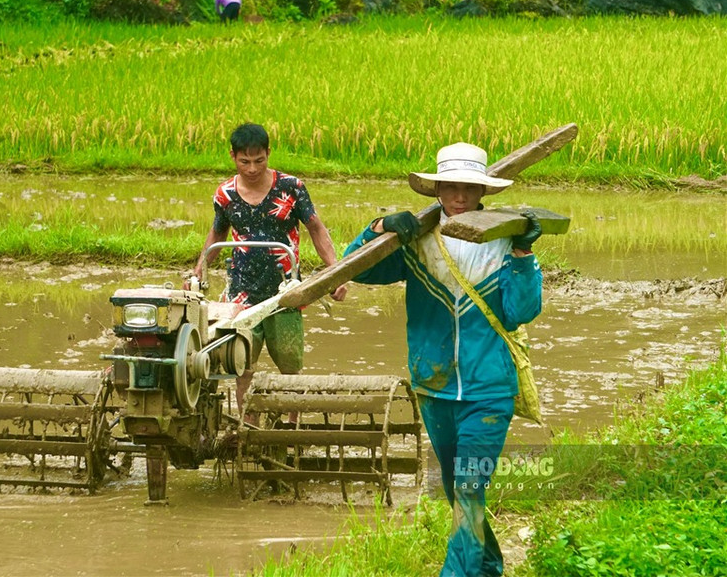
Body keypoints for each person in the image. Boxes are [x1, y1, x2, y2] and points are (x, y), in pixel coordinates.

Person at [343, 142, 543, 577]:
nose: (458, 196)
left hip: (489, 389)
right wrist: (377, 229)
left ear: (481, 190)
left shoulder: (504, 237)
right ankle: (488, 568)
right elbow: (355, 268)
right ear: (436, 188)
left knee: (469, 491)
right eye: (450, 186)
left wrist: (524, 257)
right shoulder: (415, 239)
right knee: (459, 495)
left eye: (468, 187)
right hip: (433, 385)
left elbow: (519, 313)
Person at [191, 122, 347, 423]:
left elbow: (316, 228)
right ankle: (248, 430)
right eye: (244, 161)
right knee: (242, 367)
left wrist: (335, 273)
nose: (252, 168)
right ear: (233, 156)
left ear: (268, 154)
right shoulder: (224, 194)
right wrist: (199, 271)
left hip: (285, 292)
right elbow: (217, 234)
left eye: (259, 160)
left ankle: (290, 430)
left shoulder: (291, 188)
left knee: (289, 367)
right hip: (241, 294)